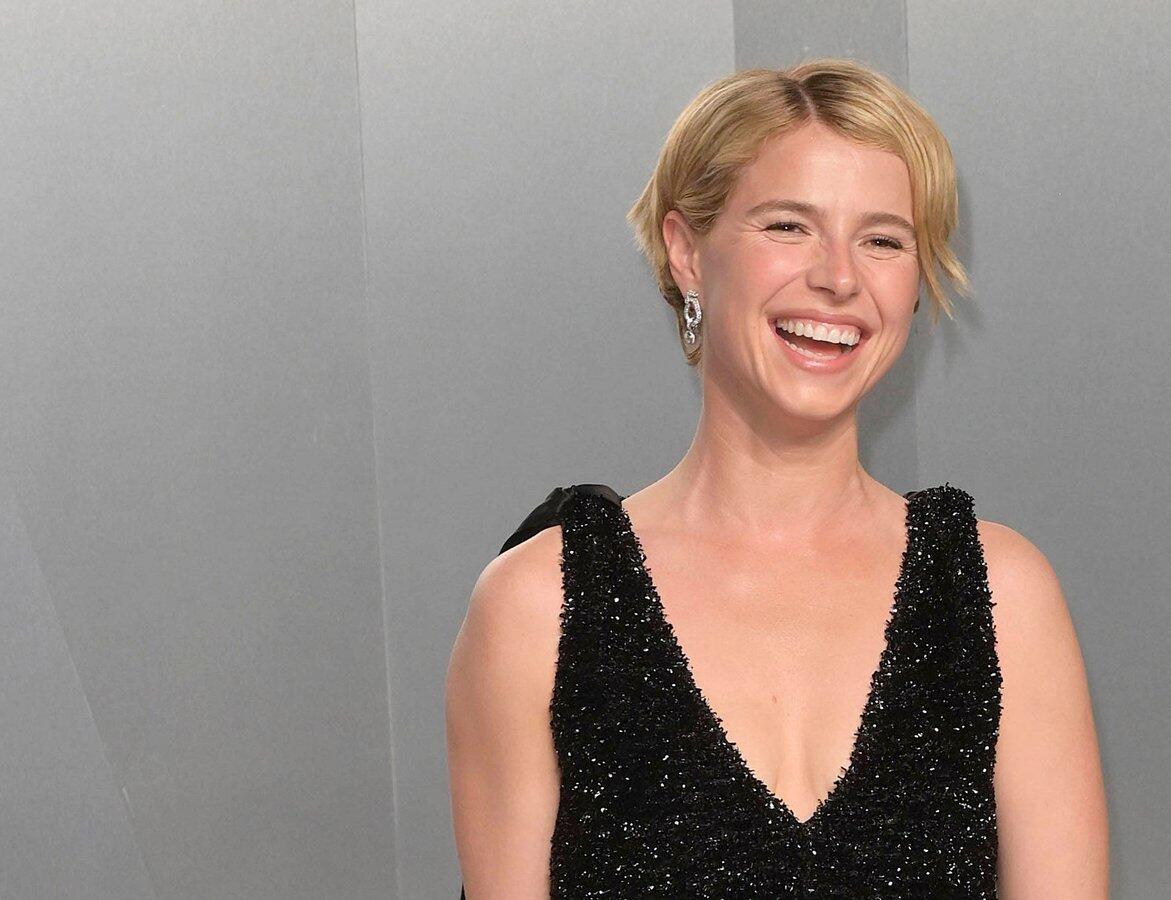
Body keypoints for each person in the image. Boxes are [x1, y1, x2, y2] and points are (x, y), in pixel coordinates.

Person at [446, 57, 1108, 898]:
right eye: (789, 226)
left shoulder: (1002, 596)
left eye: (883, 239)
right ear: (686, 250)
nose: (839, 277)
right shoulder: (538, 608)